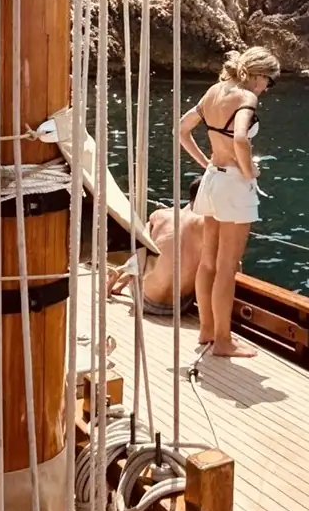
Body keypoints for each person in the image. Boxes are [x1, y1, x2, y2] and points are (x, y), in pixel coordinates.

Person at [178, 45, 280, 358]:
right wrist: (251, 173)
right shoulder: (247, 98)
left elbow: (182, 129)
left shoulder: (214, 91)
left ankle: (206, 329)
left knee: (208, 260)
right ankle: (223, 340)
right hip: (234, 185)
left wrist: (204, 163)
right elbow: (239, 139)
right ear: (258, 75)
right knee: (227, 266)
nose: (267, 88)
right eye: (269, 81)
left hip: (212, 179)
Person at [107, 179, 204, 314]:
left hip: (143, 299)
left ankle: (121, 278)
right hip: (180, 307)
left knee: (145, 247)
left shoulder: (161, 215)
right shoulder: (208, 226)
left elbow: (140, 255)